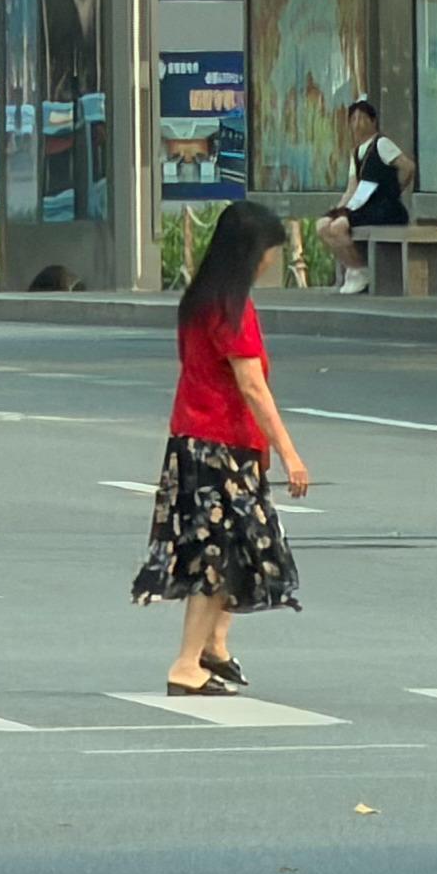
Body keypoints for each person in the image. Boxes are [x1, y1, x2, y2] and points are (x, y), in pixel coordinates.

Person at [133, 196, 308, 694]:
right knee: (219, 557)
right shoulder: (231, 310)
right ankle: (186, 664)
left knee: (239, 548)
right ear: (250, 252)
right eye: (269, 250)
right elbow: (252, 386)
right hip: (219, 447)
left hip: (200, 442)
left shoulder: (201, 299)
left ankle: (215, 646)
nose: (271, 260)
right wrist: (290, 453)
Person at [318, 98, 411, 293]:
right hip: (364, 207)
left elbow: (408, 167)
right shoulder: (355, 153)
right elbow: (352, 188)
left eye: (362, 118)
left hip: (385, 208)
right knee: (323, 225)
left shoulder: (382, 144)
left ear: (373, 121)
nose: (357, 123)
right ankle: (354, 266)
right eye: (353, 119)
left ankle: (360, 270)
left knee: (340, 226)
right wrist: (339, 209)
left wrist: (395, 189)